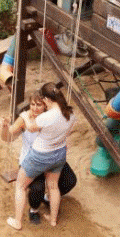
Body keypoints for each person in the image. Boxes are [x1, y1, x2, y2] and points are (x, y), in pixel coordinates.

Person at [7, 82, 76, 230]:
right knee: (53, 187)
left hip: (41, 155)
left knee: (20, 186)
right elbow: (66, 133)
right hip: (59, 154)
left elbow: (31, 128)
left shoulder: (47, 117)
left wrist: (24, 116)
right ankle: (52, 219)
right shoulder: (70, 114)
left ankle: (17, 222)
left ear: (47, 99)